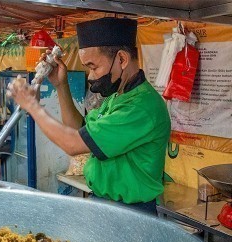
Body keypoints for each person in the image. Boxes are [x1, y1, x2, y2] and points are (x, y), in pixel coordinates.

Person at [9, 17, 170, 215]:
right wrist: (61, 85)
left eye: (93, 67)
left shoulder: (140, 107)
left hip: (130, 212)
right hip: (106, 204)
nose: (91, 76)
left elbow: (73, 144)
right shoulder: (117, 97)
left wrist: (32, 105)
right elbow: (79, 130)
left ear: (122, 59)